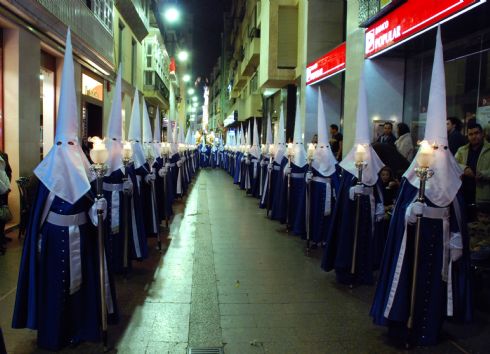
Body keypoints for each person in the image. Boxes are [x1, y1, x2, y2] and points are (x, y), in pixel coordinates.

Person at [12, 29, 117, 350]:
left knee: (80, 286)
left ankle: (81, 327)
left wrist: (97, 211)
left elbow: (91, 205)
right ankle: (53, 332)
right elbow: (38, 216)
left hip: (80, 239)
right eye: (64, 143)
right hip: (54, 241)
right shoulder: (48, 174)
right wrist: (40, 241)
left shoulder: (86, 169)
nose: (68, 147)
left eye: (73, 142)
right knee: (55, 288)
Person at [370, 28, 472, 346]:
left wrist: (456, 237)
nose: (436, 157)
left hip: (440, 244)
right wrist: (409, 214)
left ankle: (432, 326)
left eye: (441, 151)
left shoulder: (451, 179)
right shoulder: (415, 178)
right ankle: (404, 322)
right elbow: (402, 209)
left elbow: (457, 212)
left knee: (437, 288)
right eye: (432, 150)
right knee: (411, 283)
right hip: (414, 243)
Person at [322, 67, 385, 285]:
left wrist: (378, 205)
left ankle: (364, 270)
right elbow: (343, 192)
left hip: (368, 207)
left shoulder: (372, 161)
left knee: (367, 240)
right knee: (350, 237)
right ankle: (346, 268)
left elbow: (377, 187)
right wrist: (350, 191)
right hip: (352, 211)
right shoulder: (349, 167)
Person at [455, 122, 490, 219]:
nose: (474, 136)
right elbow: (453, 164)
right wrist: (464, 168)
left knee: (482, 230)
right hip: (464, 195)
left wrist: (483, 174)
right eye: (471, 134)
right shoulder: (462, 150)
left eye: (476, 133)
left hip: (483, 197)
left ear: (482, 134)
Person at [0, 155, 10, 255]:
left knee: (2, 218)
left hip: (3, 192)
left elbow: (7, 172)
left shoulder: (3, 156)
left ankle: (2, 239)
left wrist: (7, 185)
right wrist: (4, 188)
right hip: (2, 190)